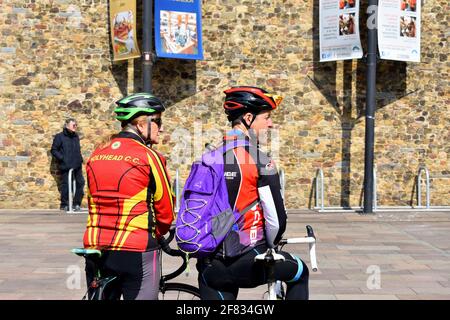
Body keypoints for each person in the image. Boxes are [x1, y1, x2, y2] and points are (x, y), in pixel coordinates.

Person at [195, 86, 309, 300]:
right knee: (300, 272)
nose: (271, 124)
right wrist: (271, 243)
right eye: (266, 118)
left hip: (209, 262)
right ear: (248, 118)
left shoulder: (209, 156)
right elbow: (276, 221)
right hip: (248, 259)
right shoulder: (260, 160)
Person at [82, 93, 175, 300]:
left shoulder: (97, 153)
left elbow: (91, 201)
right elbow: (166, 209)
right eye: (158, 121)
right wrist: (158, 233)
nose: (162, 127)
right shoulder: (150, 156)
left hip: (96, 245)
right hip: (136, 247)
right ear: (142, 125)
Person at [51, 118, 85, 211]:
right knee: (66, 184)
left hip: (77, 164)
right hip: (66, 165)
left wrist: (80, 158)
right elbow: (54, 150)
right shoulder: (60, 137)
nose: (75, 126)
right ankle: (64, 204)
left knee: (80, 183)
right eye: (73, 125)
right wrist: (62, 159)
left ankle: (76, 204)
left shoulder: (75, 136)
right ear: (67, 125)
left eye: (76, 125)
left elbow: (78, 149)